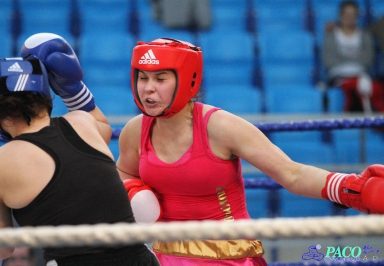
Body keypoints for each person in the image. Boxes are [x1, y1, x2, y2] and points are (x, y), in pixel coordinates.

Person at [116, 37, 384, 266]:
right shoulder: (136, 130)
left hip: (230, 256)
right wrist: (131, 188)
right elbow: (124, 170)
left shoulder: (220, 127)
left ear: (187, 80)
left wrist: (351, 188)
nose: (148, 87)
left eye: (160, 78)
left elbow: (292, 174)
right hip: (165, 256)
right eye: (143, 77)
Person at [0, 33, 160, 266]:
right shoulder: (82, 123)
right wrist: (72, 89)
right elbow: (104, 128)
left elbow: (1, 249)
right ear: (45, 96)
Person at [322, 0, 384, 113]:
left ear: (357, 16)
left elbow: (368, 59)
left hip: (361, 75)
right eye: (346, 14)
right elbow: (329, 61)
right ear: (340, 16)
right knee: (363, 86)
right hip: (338, 77)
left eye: (353, 14)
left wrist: (344, 59)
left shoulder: (365, 36)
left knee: (376, 88)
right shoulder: (330, 36)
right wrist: (354, 61)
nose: (349, 18)